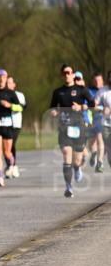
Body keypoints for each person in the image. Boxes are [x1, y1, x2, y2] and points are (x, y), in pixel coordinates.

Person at [49, 64, 95, 197]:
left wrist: (81, 107)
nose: (67, 75)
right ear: (62, 75)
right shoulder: (58, 92)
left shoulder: (81, 90)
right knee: (66, 153)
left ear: (73, 75)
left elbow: (92, 104)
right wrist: (54, 112)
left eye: (69, 72)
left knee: (77, 160)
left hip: (79, 126)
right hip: (64, 127)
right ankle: (68, 187)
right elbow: (53, 107)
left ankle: (77, 168)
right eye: (64, 73)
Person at [6, 75, 27, 178]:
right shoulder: (2, 95)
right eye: (7, 83)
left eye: (10, 82)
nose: (8, 84)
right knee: (6, 146)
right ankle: (10, 165)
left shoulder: (19, 95)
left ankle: (13, 165)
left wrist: (10, 106)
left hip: (16, 124)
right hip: (5, 123)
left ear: (14, 84)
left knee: (12, 144)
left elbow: (22, 107)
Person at [86, 73, 106, 172]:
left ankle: (100, 162)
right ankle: (93, 154)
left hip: (102, 119)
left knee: (99, 138)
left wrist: (101, 108)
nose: (97, 83)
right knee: (91, 142)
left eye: (99, 80)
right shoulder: (89, 91)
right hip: (91, 119)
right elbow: (87, 106)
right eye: (95, 81)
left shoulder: (106, 91)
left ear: (103, 81)